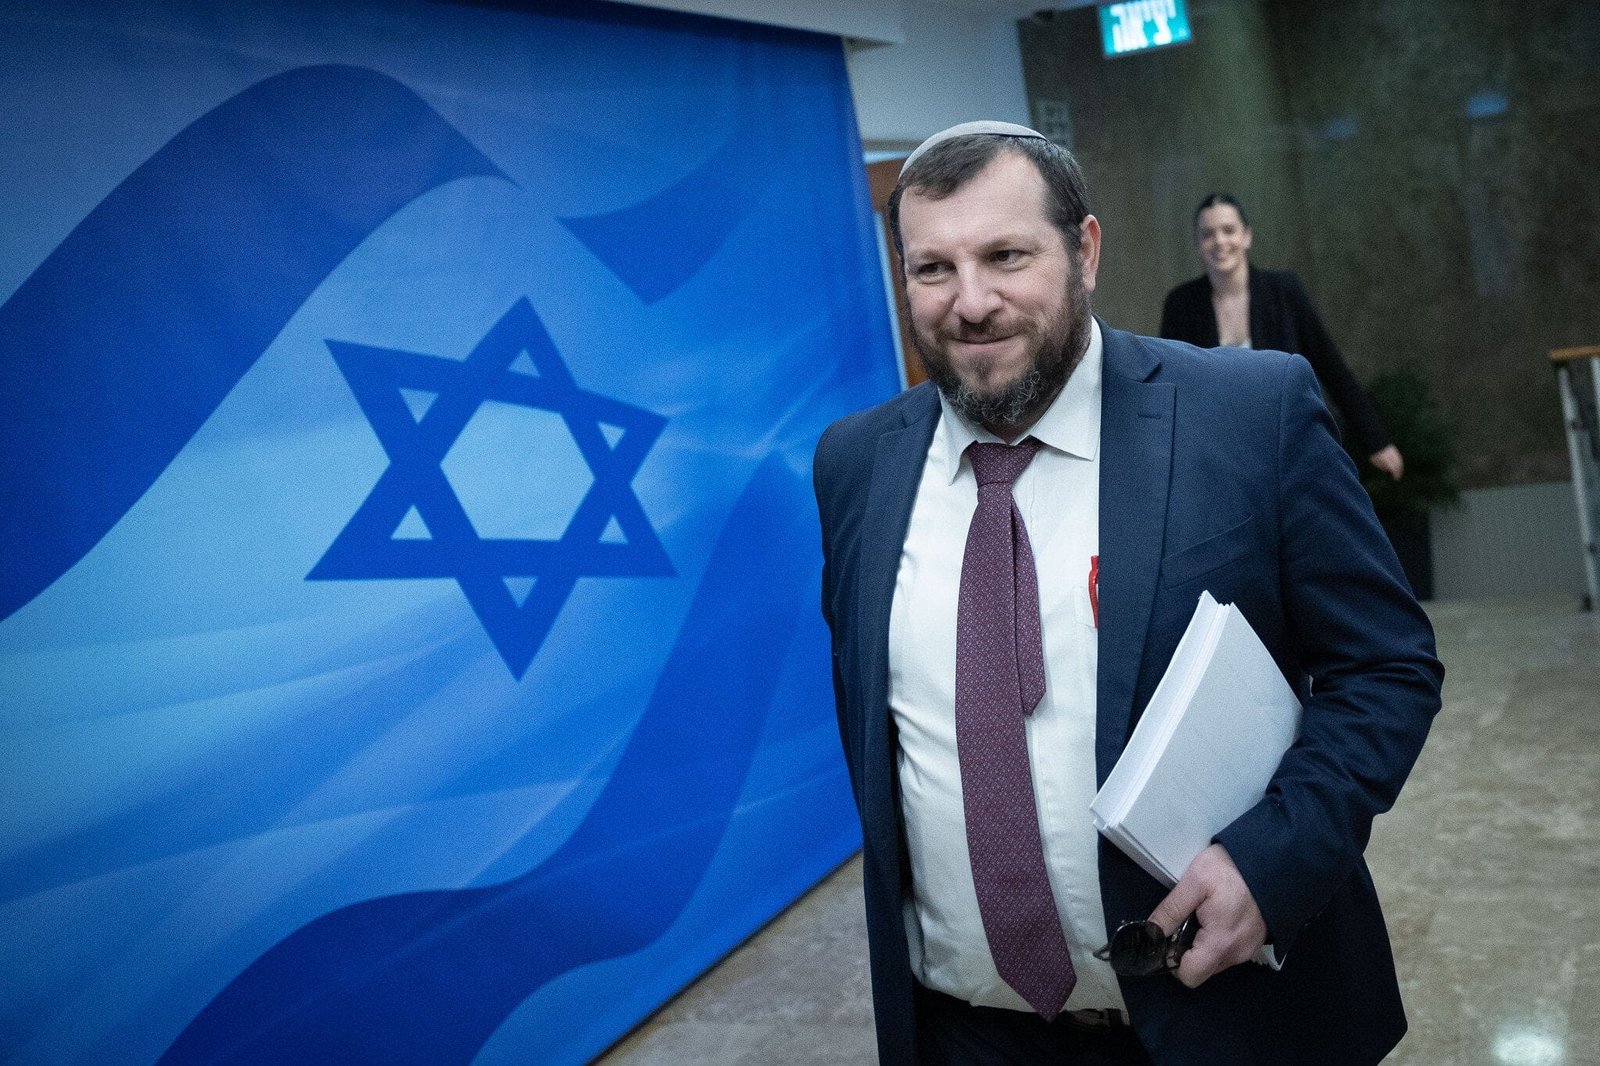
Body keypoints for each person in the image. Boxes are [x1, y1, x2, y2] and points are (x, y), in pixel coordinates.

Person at [812, 121, 1443, 1065]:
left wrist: (1273, 861)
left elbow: (1386, 667)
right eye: (932, 269)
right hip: (965, 1033)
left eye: (1006, 256)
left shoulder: (1250, 414)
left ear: (1085, 251)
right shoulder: (855, 464)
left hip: (1222, 1021)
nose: (970, 302)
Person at [1159, 193, 1405, 481]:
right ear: (1198, 244)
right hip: (1221, 454)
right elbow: (1170, 386)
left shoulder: (1283, 292)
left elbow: (1330, 364)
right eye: (1208, 234)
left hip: (1289, 443)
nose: (1220, 241)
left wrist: (1376, 439)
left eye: (1228, 230)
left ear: (1247, 236)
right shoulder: (1181, 303)